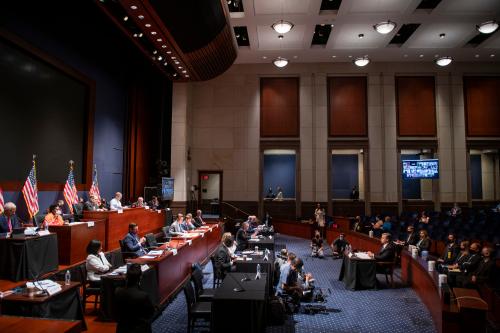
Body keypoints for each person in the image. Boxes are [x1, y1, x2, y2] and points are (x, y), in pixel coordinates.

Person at [114, 263, 155, 333]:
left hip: (122, 328)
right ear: (140, 278)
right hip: (139, 329)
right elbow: (150, 312)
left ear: (126, 277)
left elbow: (115, 312)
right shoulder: (143, 295)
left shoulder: (117, 291)